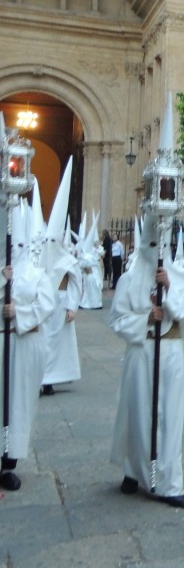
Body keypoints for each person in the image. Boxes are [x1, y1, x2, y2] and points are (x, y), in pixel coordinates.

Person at [109, 100, 184, 507]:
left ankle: (169, 481)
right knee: (139, 413)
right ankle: (134, 470)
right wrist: (147, 316)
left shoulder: (177, 272)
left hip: (172, 350)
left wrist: (170, 297)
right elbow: (118, 318)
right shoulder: (130, 276)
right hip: (143, 352)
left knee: (170, 416)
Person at [0, 188, 56, 491]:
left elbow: (46, 305)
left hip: (24, 344)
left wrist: (17, 313)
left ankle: (10, 461)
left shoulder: (36, 273)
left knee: (18, 402)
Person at [39, 160, 83, 396]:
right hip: (44, 305)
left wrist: (72, 306)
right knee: (43, 341)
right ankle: (41, 376)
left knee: (57, 343)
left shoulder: (68, 260)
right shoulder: (40, 259)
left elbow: (76, 282)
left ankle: (52, 378)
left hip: (62, 302)